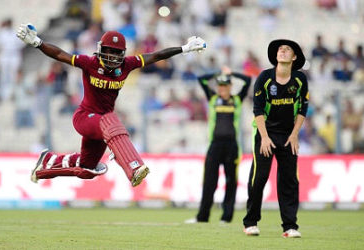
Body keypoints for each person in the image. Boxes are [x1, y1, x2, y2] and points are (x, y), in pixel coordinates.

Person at [16, 23, 206, 187]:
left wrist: (185, 48)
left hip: (104, 125)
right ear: (101, 50)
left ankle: (47, 163)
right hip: (85, 118)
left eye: (117, 53)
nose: (113, 57)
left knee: (88, 169)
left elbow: (156, 56)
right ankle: (133, 166)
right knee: (111, 119)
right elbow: (59, 54)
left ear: (123, 54)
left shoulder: (128, 64)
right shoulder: (90, 63)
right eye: (109, 51)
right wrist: (38, 43)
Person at [243, 39, 308, 238]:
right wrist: (263, 137)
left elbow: (303, 107)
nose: (282, 51)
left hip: (289, 136)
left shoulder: (299, 79)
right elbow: (258, 109)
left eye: (287, 49)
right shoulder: (265, 77)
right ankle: (251, 222)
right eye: (280, 49)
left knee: (289, 180)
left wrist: (295, 134)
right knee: (259, 177)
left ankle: (290, 227)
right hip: (265, 134)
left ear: (294, 57)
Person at [185, 66, 251, 224]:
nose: (222, 88)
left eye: (225, 85)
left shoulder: (237, 99)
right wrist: (218, 73)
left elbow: (248, 81)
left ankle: (226, 218)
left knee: (230, 182)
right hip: (214, 145)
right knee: (209, 182)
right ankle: (202, 217)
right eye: (220, 85)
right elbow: (201, 79)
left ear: (230, 87)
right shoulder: (213, 98)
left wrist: (231, 73)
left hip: (231, 146)